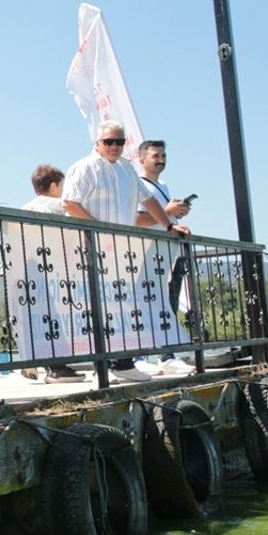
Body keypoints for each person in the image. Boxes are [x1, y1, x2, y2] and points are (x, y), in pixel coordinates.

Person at [62, 122, 191, 383]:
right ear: (97, 142)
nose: (114, 147)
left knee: (122, 305)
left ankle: (122, 363)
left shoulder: (127, 170)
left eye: (119, 142)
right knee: (95, 306)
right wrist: (101, 231)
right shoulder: (83, 167)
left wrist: (169, 225)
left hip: (122, 251)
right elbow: (69, 203)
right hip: (90, 247)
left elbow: (148, 200)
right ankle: (106, 365)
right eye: (108, 141)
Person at [132, 139, 196, 376]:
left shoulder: (164, 186)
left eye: (163, 156)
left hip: (169, 252)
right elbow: (136, 220)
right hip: (146, 253)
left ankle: (167, 354)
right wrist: (167, 213)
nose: (160, 160)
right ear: (142, 159)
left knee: (167, 303)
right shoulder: (138, 185)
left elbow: (163, 218)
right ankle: (138, 355)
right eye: (155, 156)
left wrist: (175, 215)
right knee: (142, 303)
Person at [19, 165, 83, 383]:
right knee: (59, 316)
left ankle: (31, 361)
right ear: (54, 184)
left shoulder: (24, 208)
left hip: (29, 269)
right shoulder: (59, 207)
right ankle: (57, 367)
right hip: (56, 266)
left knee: (36, 316)